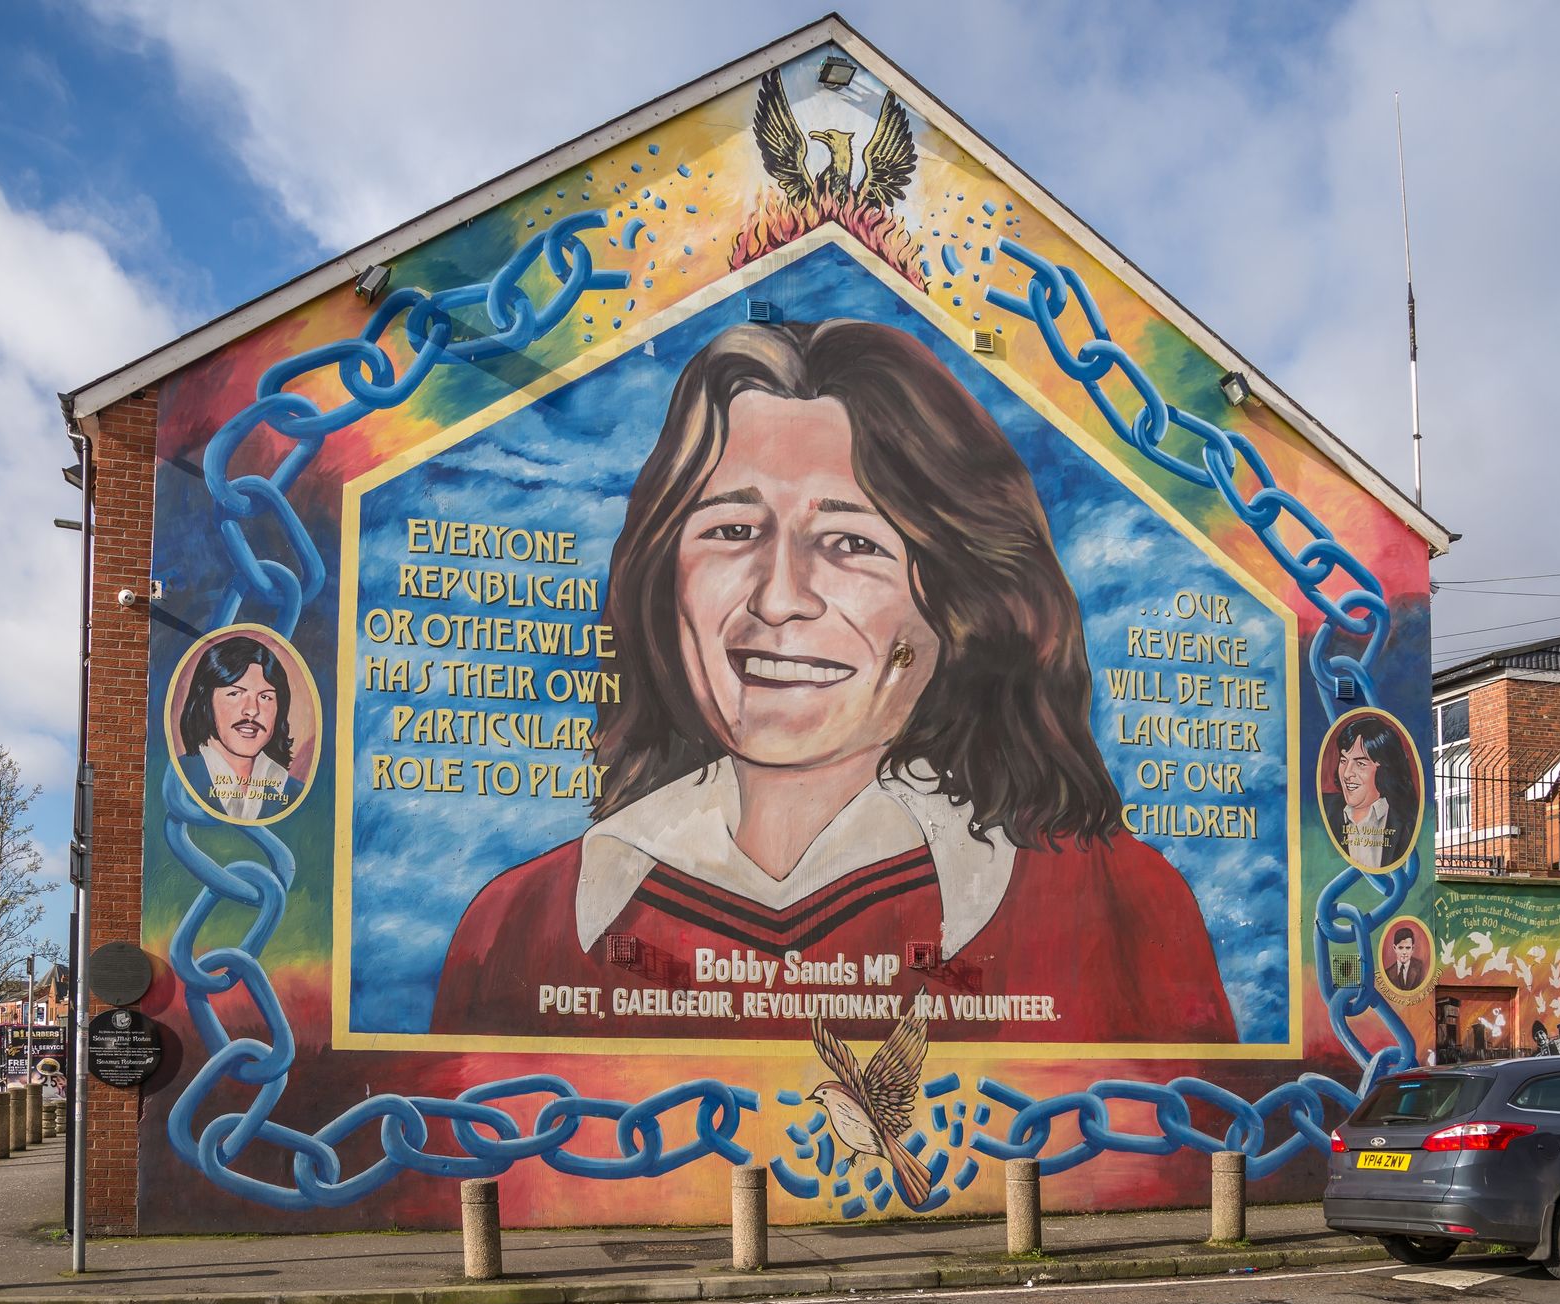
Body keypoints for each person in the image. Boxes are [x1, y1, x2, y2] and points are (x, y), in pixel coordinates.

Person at [432, 319, 1236, 1043]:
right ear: (664, 576)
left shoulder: (1116, 906)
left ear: (957, 596)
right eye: (733, 530)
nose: (779, 596)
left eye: (851, 543)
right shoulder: (519, 927)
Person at [175, 636, 304, 820]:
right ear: (206, 701)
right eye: (235, 693)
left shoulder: (294, 793)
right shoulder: (178, 779)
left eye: (265, 697)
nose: (252, 710)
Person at [1322, 716, 1415, 870]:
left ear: (1384, 768)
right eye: (1344, 761)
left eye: (1360, 764)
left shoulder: (1407, 820)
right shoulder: (1322, 812)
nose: (1346, 774)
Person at [1384, 924, 1425, 991]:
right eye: (1400, 948)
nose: (1404, 952)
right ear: (1394, 948)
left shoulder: (1421, 968)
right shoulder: (1388, 973)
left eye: (1408, 948)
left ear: (1413, 948)